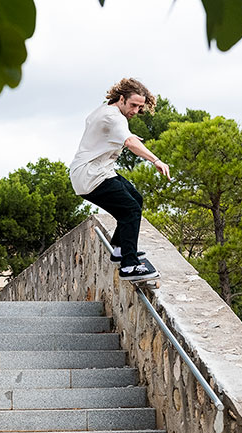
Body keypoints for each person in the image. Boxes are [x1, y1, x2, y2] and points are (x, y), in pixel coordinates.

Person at [69, 78, 171, 281]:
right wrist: (155, 160)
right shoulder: (113, 118)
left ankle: (120, 249)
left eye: (140, 107)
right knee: (130, 210)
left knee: (135, 199)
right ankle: (129, 265)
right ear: (121, 98)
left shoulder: (104, 110)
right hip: (92, 176)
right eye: (133, 105)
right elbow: (130, 141)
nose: (135, 111)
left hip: (97, 171)